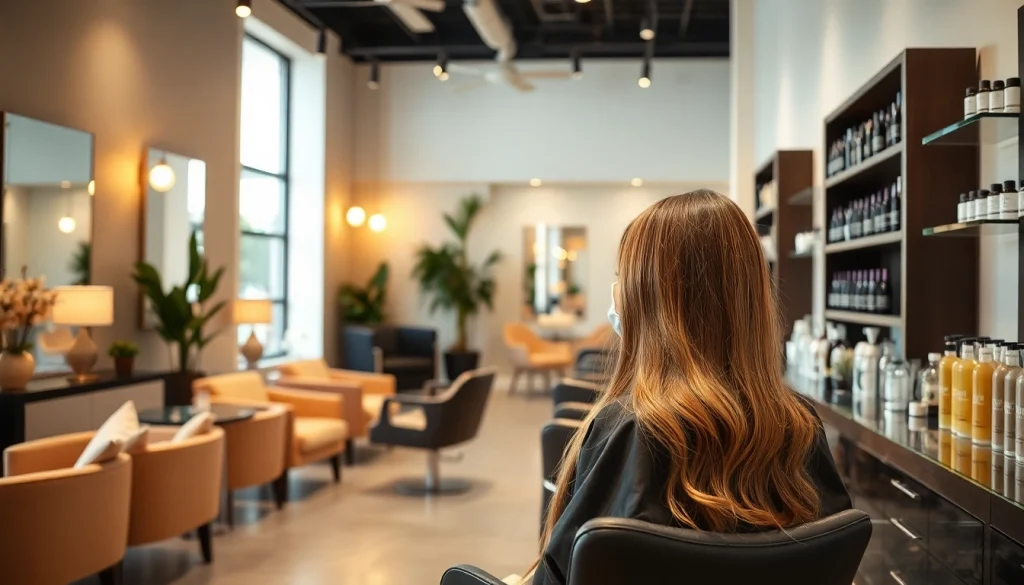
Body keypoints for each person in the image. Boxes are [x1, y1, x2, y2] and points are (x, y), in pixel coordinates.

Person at [530, 190, 851, 585]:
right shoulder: (802, 428)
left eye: (621, 280)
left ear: (648, 300)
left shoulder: (628, 430)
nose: (617, 295)